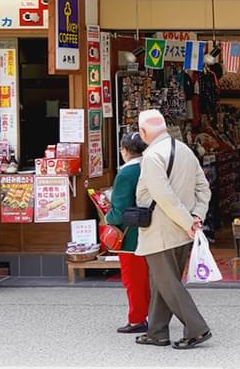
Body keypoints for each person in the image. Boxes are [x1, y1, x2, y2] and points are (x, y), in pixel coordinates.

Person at [133, 110, 214, 349]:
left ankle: (197, 328)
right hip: (183, 230)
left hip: (161, 229)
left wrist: (188, 222)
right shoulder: (185, 150)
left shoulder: (151, 156)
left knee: (167, 283)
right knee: (163, 281)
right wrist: (196, 216)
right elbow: (204, 188)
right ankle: (157, 331)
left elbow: (164, 197)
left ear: (143, 132)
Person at [105, 133, 152, 334]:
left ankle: (137, 319)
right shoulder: (150, 167)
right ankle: (153, 314)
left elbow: (119, 212)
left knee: (133, 279)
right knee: (149, 277)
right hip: (152, 229)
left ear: (124, 150)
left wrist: (107, 216)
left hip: (130, 234)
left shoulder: (125, 174)